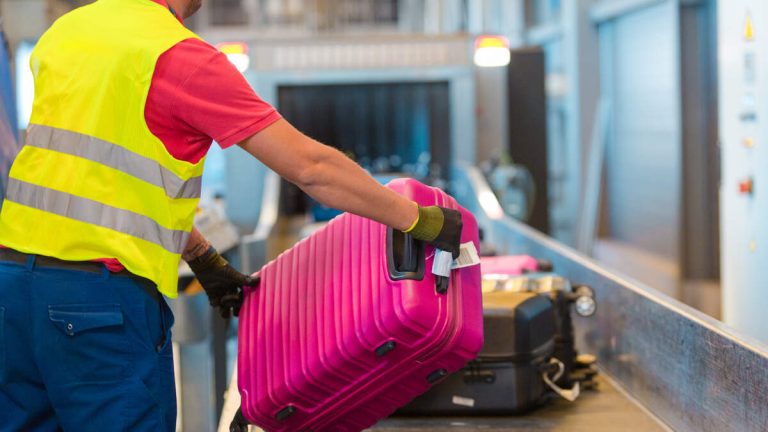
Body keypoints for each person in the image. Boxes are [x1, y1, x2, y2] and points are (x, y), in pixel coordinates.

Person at [0, 0, 463, 430]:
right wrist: (416, 218)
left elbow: (97, 181)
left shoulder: (66, 33)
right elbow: (311, 167)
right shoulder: (179, 56)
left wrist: (202, 255)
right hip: (96, 308)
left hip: (12, 290)